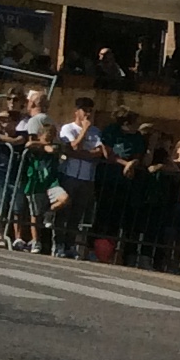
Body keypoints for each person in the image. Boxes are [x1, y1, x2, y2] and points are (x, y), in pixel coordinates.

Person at [52, 98, 109, 259]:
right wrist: (83, 131)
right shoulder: (68, 128)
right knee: (64, 212)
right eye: (85, 110)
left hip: (86, 178)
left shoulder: (96, 131)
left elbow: (99, 152)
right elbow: (73, 147)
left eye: (90, 110)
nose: (88, 114)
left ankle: (70, 244)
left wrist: (82, 154)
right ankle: (59, 244)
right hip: (69, 175)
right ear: (76, 111)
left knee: (77, 214)